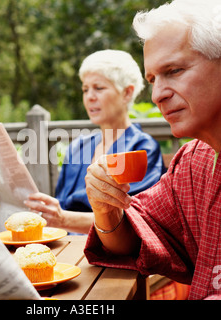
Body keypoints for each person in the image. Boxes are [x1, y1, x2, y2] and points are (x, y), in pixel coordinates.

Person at [84, 0, 221, 300]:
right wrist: (106, 209)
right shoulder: (193, 163)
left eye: (173, 71)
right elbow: (139, 234)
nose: (158, 95)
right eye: (152, 79)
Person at [0, 49, 165, 234]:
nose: (90, 96)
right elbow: (59, 208)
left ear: (127, 93)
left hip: (109, 249)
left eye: (99, 88)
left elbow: (135, 219)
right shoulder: (79, 147)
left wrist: (63, 219)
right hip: (64, 241)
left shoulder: (142, 148)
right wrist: (4, 196)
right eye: (85, 89)